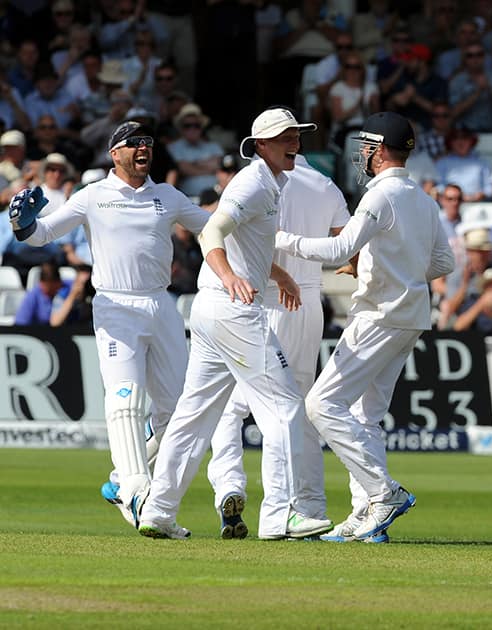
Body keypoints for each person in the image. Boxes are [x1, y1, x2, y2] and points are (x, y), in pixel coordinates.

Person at [138, 107, 334, 540]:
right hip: (231, 309)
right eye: (284, 137)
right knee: (284, 408)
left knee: (193, 416)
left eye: (296, 136)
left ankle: (159, 510)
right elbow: (211, 232)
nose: (294, 144)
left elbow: (250, 245)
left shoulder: (269, 181)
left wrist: (276, 273)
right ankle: (279, 516)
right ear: (260, 144)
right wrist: (231, 278)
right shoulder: (252, 184)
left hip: (210, 310)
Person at [6, 121, 210, 530]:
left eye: (147, 143)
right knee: (126, 399)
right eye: (133, 144)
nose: (142, 149)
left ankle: (120, 481)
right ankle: (137, 490)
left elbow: (213, 228)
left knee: (181, 414)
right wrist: (22, 225)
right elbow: (42, 234)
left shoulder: (166, 195)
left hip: (161, 303)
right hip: (116, 304)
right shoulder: (92, 196)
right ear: (114, 153)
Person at [272, 111, 455, 542]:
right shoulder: (423, 198)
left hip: (379, 315)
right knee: (364, 416)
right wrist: (398, 270)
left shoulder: (381, 196)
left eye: (365, 148)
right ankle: (366, 517)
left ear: (379, 150)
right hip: (409, 317)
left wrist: (278, 239)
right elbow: (443, 262)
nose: (362, 156)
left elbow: (338, 248)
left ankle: (383, 493)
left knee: (321, 405)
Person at [204, 152, 350, 539]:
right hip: (307, 303)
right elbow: (348, 248)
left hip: (260, 298)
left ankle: (231, 485)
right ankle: (310, 507)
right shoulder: (326, 184)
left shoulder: (258, 180)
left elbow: (224, 233)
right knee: (296, 410)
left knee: (232, 407)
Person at [13, 260, 69, 325]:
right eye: (48, 289)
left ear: (59, 283)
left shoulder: (68, 288)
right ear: (41, 283)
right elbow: (20, 323)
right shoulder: (32, 296)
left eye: (54, 288)